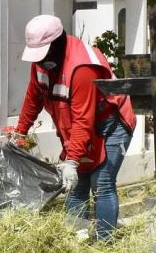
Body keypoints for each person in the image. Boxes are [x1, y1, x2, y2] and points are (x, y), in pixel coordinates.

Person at [13, 15, 136, 240]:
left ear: (57, 43)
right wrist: (20, 132)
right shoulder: (41, 62)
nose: (41, 61)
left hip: (111, 124)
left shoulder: (82, 67)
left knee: (101, 182)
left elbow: (83, 120)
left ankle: (104, 243)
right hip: (81, 126)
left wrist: (71, 162)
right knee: (77, 185)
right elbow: (33, 97)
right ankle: (76, 240)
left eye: (44, 54)